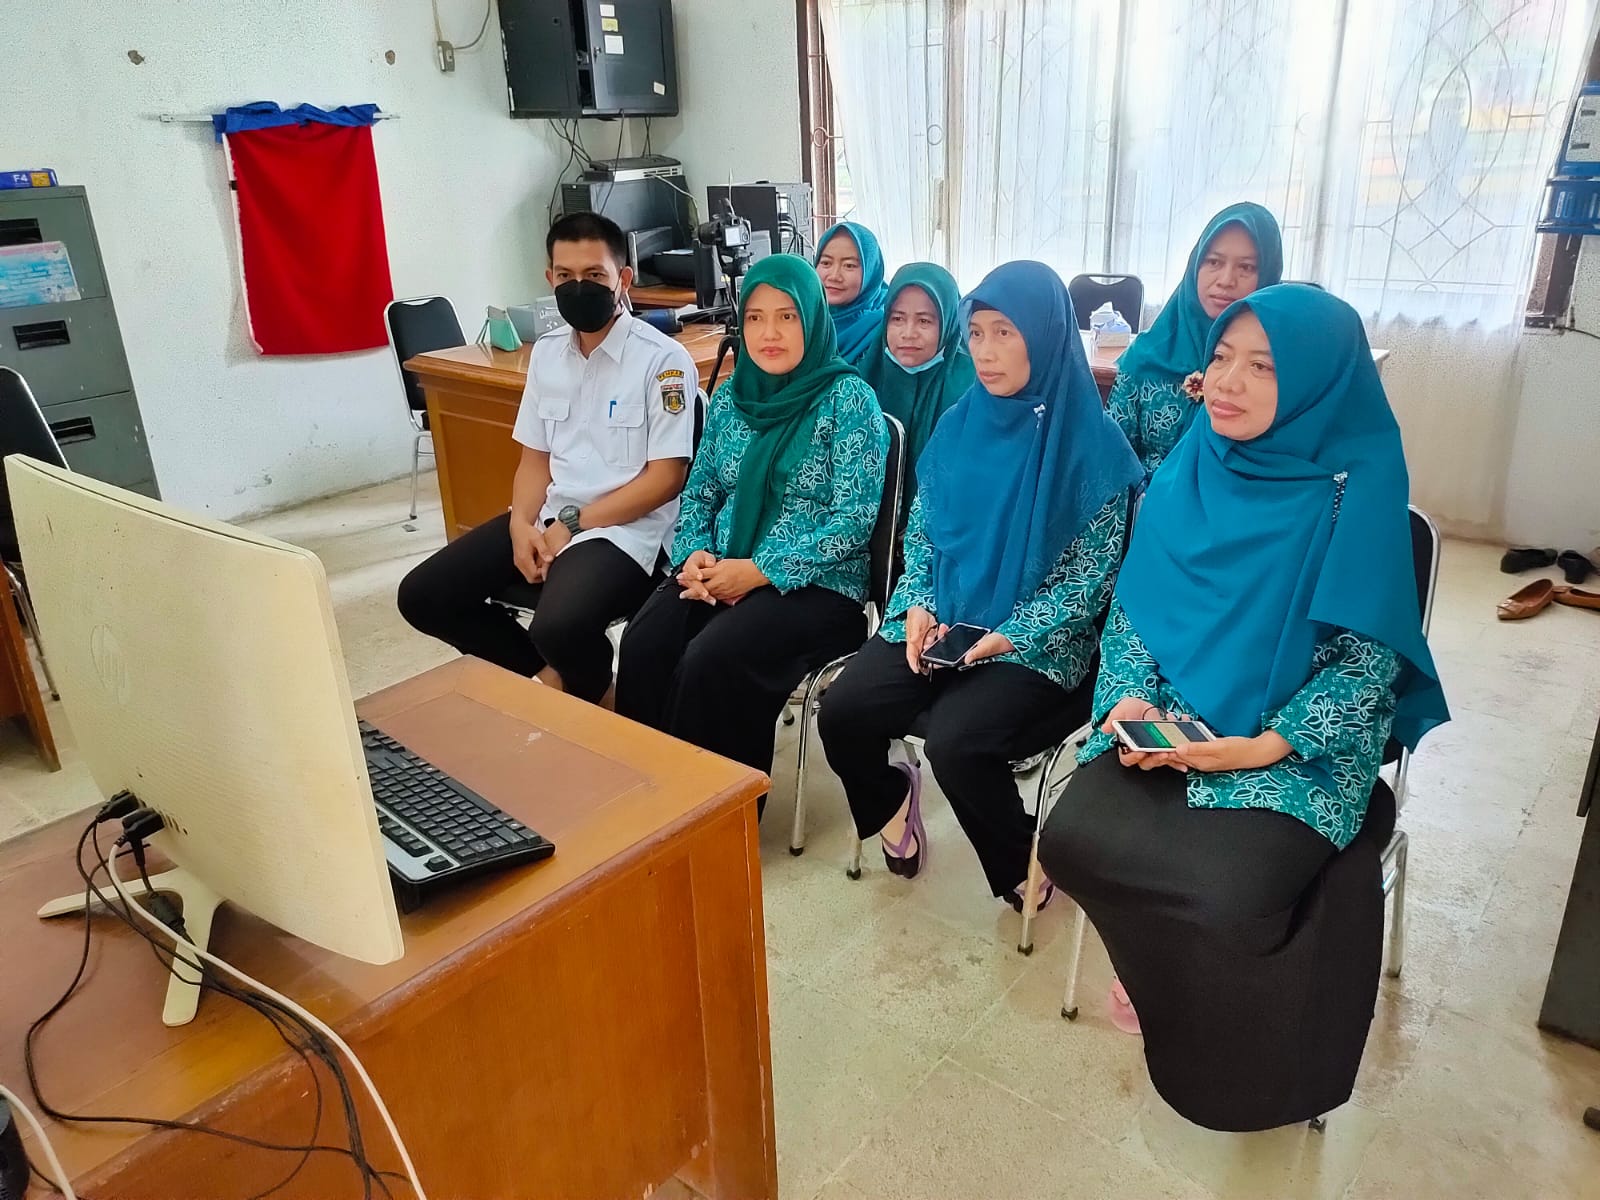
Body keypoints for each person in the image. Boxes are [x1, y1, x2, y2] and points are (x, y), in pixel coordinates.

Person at [1036, 284, 1450, 1132]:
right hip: (1177, 720)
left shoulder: (1355, 486)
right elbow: (1137, 611)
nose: (1227, 382)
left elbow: (1365, 668)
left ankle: (1243, 1071)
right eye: (1221, 356)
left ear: (1314, 381)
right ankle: (1152, 975)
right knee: (1073, 839)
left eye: (1262, 366)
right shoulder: (1194, 460)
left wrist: (1262, 746)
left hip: (1296, 748)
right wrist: (1127, 703)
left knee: (1224, 890)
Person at [817, 261, 1141, 907]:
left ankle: (1020, 855)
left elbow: (1087, 587)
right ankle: (889, 802)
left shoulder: (1094, 449)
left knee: (960, 745)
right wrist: (916, 606)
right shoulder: (960, 425)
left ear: (1045, 336)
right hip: (944, 618)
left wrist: (1006, 637)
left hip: (1041, 643)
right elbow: (923, 537)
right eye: (978, 333)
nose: (986, 353)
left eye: (1005, 334)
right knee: (844, 708)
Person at [397, 212, 695, 706]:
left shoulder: (662, 361)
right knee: (424, 596)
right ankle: (562, 684)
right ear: (549, 278)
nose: (579, 287)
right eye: (566, 276)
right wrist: (521, 526)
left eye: (595, 276)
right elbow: (534, 459)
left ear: (623, 279)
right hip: (557, 515)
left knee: (560, 625)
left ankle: (597, 698)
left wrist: (573, 524)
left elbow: (665, 479)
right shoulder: (548, 353)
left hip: (626, 530)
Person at [614, 254, 887, 779]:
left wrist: (760, 570)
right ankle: (647, 795)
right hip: (721, 566)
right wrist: (693, 554)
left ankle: (714, 814)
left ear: (812, 317)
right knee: (646, 641)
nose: (770, 333)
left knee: (711, 659)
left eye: (787, 316)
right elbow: (700, 493)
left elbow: (852, 520)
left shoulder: (848, 400)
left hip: (818, 587)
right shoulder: (730, 399)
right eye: (756, 317)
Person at [1107, 202, 1283, 475]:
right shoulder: (1146, 356)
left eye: (1246, 267)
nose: (1226, 280)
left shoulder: (1282, 366)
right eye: (1214, 262)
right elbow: (1111, 463)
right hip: (1150, 509)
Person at [862, 262, 977, 477]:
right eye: (897, 319)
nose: (908, 333)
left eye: (924, 321)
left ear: (948, 323)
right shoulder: (866, 376)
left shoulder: (971, 388)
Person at [813, 221, 889, 369]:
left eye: (849, 265)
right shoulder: (802, 318)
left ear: (870, 272)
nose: (834, 276)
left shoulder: (885, 329)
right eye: (826, 263)